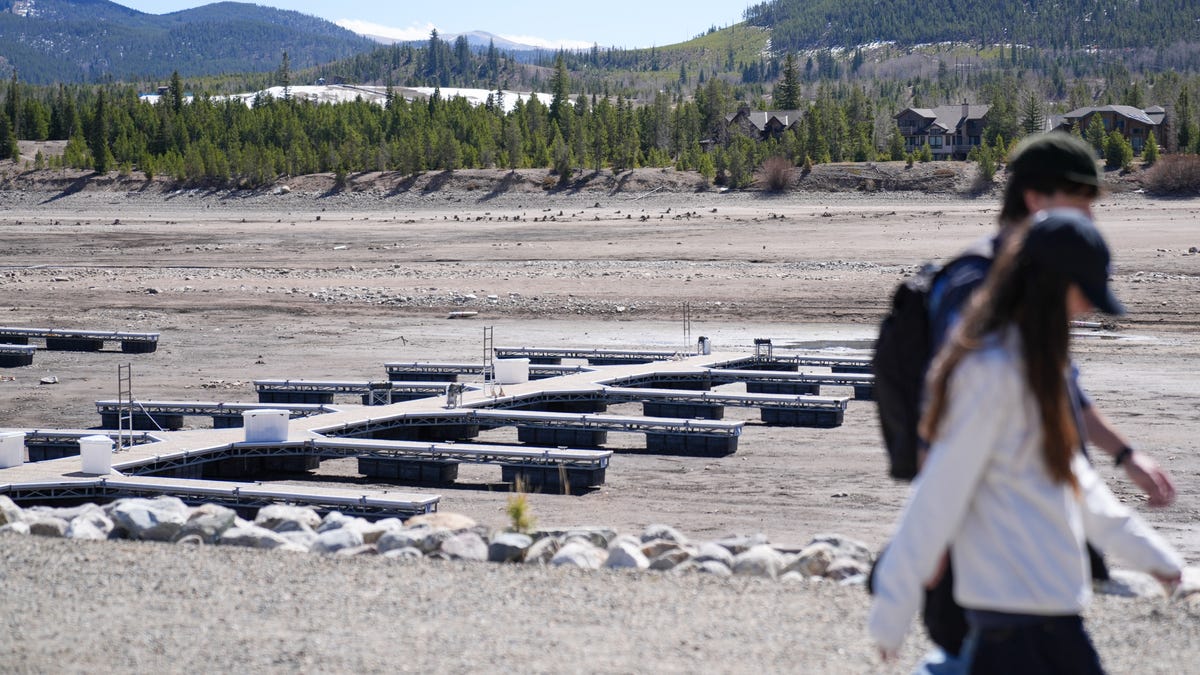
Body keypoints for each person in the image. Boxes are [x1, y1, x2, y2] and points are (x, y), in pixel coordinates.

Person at [868, 209, 1184, 673]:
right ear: (1050, 287)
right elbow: (937, 496)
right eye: (1086, 294)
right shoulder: (990, 373)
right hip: (1011, 629)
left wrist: (1160, 561)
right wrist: (891, 611)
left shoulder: (1039, 366)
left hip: (1057, 618)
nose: (1091, 309)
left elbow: (1077, 485)